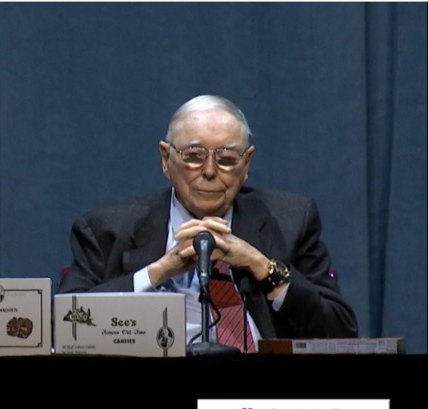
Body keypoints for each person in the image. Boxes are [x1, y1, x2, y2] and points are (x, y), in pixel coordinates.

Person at [57, 95, 357, 348]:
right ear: (166, 159)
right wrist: (159, 271)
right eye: (194, 156)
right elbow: (64, 325)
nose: (210, 171)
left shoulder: (290, 220)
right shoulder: (107, 229)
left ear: (246, 164)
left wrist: (262, 266)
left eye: (226, 159)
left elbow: (341, 332)